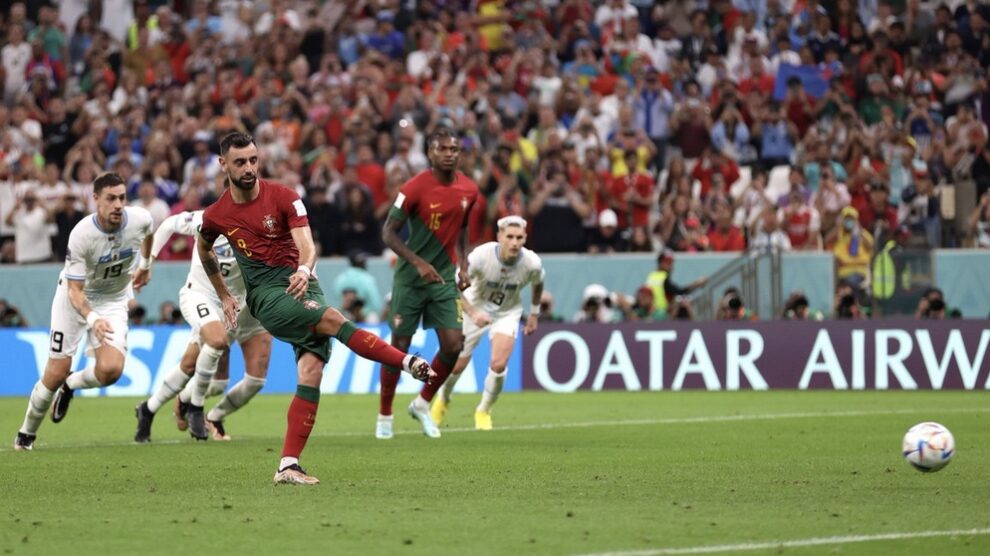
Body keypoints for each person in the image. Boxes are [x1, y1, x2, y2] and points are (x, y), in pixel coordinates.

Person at [196, 132, 434, 485]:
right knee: (333, 319)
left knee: (312, 372)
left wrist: (305, 271)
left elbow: (307, 246)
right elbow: (204, 249)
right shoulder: (217, 214)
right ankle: (407, 362)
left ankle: (287, 465)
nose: (249, 168)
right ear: (223, 164)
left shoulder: (285, 198)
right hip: (266, 295)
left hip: (303, 283)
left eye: (253, 160)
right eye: (240, 162)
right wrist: (226, 295)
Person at [14, 173, 154, 451]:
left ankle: (71, 385)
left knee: (111, 370)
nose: (118, 205)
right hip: (74, 299)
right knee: (55, 371)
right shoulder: (81, 234)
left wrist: (146, 264)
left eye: (122, 198)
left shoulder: (139, 219)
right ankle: (26, 433)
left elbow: (149, 233)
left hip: (112, 299)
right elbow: (75, 291)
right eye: (111, 198)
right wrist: (93, 318)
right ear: (95, 200)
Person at [134, 209, 273, 443]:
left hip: (233, 305)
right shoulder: (204, 218)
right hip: (200, 296)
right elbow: (168, 224)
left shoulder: (259, 229)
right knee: (216, 341)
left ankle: (147, 409)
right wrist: (146, 263)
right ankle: (196, 408)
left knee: (189, 366)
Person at [377, 126, 479, 440]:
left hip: (443, 278)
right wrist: (419, 263)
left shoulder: (469, 190)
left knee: (453, 345)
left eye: (454, 149)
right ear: (430, 153)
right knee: (399, 348)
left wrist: (463, 265)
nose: (449, 154)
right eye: (442, 149)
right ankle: (384, 416)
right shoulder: (413, 188)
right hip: (410, 278)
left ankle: (422, 403)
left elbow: (461, 231)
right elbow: (389, 233)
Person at [429, 216, 544, 430]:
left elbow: (538, 284)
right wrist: (473, 313)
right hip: (474, 308)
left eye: (519, 237)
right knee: (456, 366)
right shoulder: (481, 257)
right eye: (509, 237)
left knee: (499, 364)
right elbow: (453, 286)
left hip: (507, 312)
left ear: (525, 238)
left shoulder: (532, 263)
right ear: (499, 236)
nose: (514, 242)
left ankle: (484, 410)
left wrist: (534, 315)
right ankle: (443, 399)